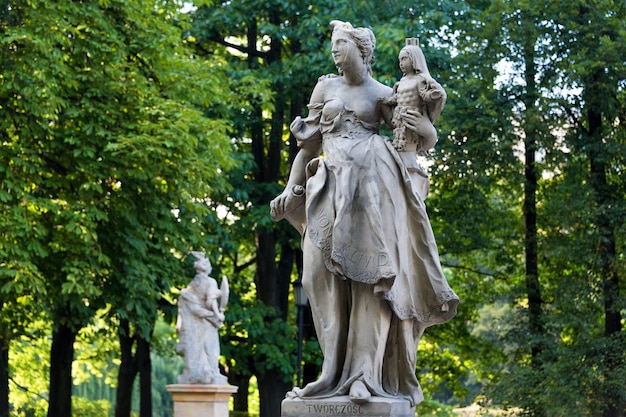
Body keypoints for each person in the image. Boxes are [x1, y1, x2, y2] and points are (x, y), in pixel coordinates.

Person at [270, 20, 458, 406]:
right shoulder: (325, 87)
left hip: (373, 191)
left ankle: (363, 375)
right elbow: (308, 147)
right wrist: (291, 188)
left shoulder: (383, 94)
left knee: (372, 282)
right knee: (315, 277)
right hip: (330, 188)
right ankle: (330, 373)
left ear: (361, 50)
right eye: (334, 46)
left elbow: (414, 141)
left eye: (340, 45)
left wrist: (427, 123)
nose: (335, 52)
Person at [384, 38, 447, 153]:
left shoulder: (419, 80)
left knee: (409, 147)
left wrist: (433, 94)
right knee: (399, 142)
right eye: (399, 60)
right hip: (399, 117)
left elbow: (424, 95)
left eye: (404, 59)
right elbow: (398, 98)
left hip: (413, 118)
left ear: (413, 59)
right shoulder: (401, 82)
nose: (401, 63)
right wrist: (387, 101)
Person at [175, 251, 228, 385]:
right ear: (207, 268)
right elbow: (211, 301)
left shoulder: (192, 285)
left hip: (195, 325)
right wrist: (217, 315)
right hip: (207, 325)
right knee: (210, 350)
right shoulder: (210, 282)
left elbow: (193, 306)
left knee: (197, 349)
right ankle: (208, 373)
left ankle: (198, 373)